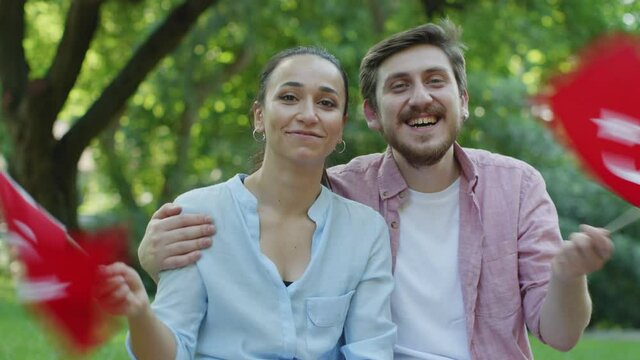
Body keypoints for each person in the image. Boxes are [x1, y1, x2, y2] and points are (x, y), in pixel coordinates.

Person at [138, 21, 614, 359]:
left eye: (435, 81)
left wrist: (569, 276)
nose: (420, 98)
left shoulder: (517, 187)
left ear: (462, 101)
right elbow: (256, 235)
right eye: (399, 86)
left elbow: (562, 334)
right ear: (369, 113)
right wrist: (153, 257)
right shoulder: (341, 192)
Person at [95, 46, 396, 360]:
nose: (308, 115)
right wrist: (140, 313)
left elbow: (371, 350)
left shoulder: (364, 230)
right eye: (289, 98)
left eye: (326, 103)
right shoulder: (198, 214)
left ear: (341, 126)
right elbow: (170, 352)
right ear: (259, 116)